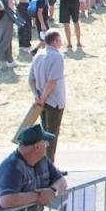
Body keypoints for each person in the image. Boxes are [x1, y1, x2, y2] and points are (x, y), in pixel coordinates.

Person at [28, 29, 67, 162]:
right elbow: (52, 81)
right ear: (56, 41)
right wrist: (44, 97)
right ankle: (49, 165)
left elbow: (31, 79)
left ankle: (43, 162)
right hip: (54, 101)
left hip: (41, 101)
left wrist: (37, 96)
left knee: (44, 133)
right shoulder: (57, 57)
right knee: (51, 135)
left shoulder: (38, 55)